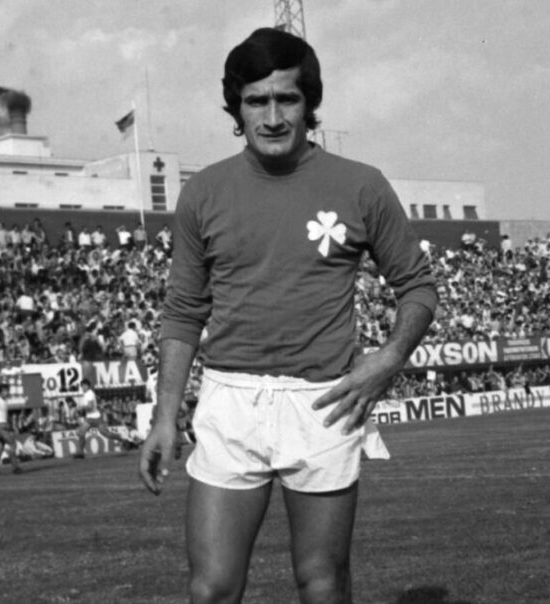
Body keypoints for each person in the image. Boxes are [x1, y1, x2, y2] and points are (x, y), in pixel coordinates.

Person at [138, 28, 439, 603]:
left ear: (310, 103)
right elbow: (183, 312)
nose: (273, 117)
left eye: (287, 99)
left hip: (323, 403)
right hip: (230, 400)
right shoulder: (203, 192)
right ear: (236, 106)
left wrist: (390, 358)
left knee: (321, 585)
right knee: (211, 588)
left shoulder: (360, 185)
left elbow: (417, 286)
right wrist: (164, 417)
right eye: (257, 101)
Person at [0, 382, 22, 475]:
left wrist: (10, 426)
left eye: (7, 390)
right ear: (0, 392)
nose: (7, 392)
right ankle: (15, 468)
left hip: (4, 426)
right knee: (13, 444)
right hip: (0, 427)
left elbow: (4, 415)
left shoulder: (4, 401)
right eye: (5, 391)